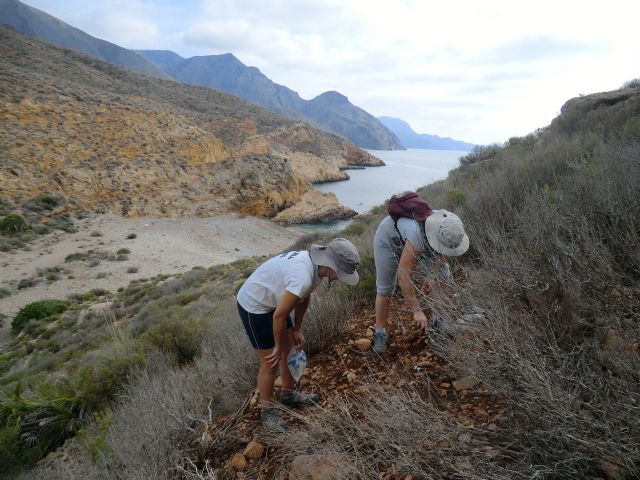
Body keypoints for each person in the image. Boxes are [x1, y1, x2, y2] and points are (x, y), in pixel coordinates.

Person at [236, 238, 360, 431]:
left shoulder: (316, 269)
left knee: (290, 348)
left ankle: (288, 394)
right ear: (331, 265)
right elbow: (279, 316)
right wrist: (277, 345)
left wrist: (296, 330)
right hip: (254, 304)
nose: (339, 278)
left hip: (274, 300)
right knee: (270, 361)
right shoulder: (302, 275)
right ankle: (267, 413)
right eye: (340, 273)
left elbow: (304, 297)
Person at [372, 208, 469, 354]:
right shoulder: (415, 234)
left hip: (418, 240)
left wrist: (431, 273)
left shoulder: (452, 226)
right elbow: (403, 276)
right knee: (385, 289)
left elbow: (450, 250)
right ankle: (380, 332)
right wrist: (416, 311)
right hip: (389, 240)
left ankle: (438, 320)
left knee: (443, 273)